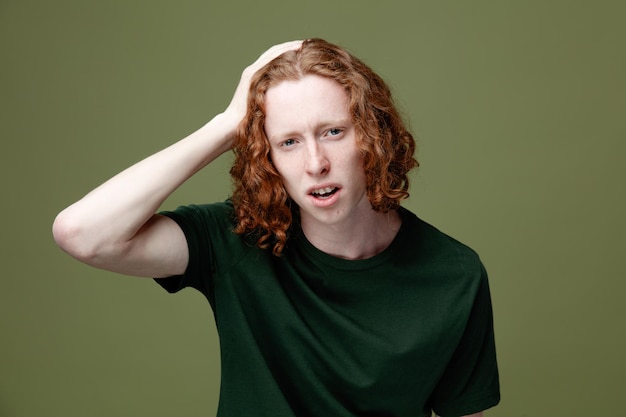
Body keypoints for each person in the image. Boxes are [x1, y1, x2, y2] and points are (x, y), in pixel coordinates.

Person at [53, 38, 500, 417]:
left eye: (333, 132)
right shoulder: (236, 239)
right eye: (288, 142)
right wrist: (229, 124)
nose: (315, 164)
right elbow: (82, 233)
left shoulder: (454, 274)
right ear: (267, 158)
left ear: (373, 135)